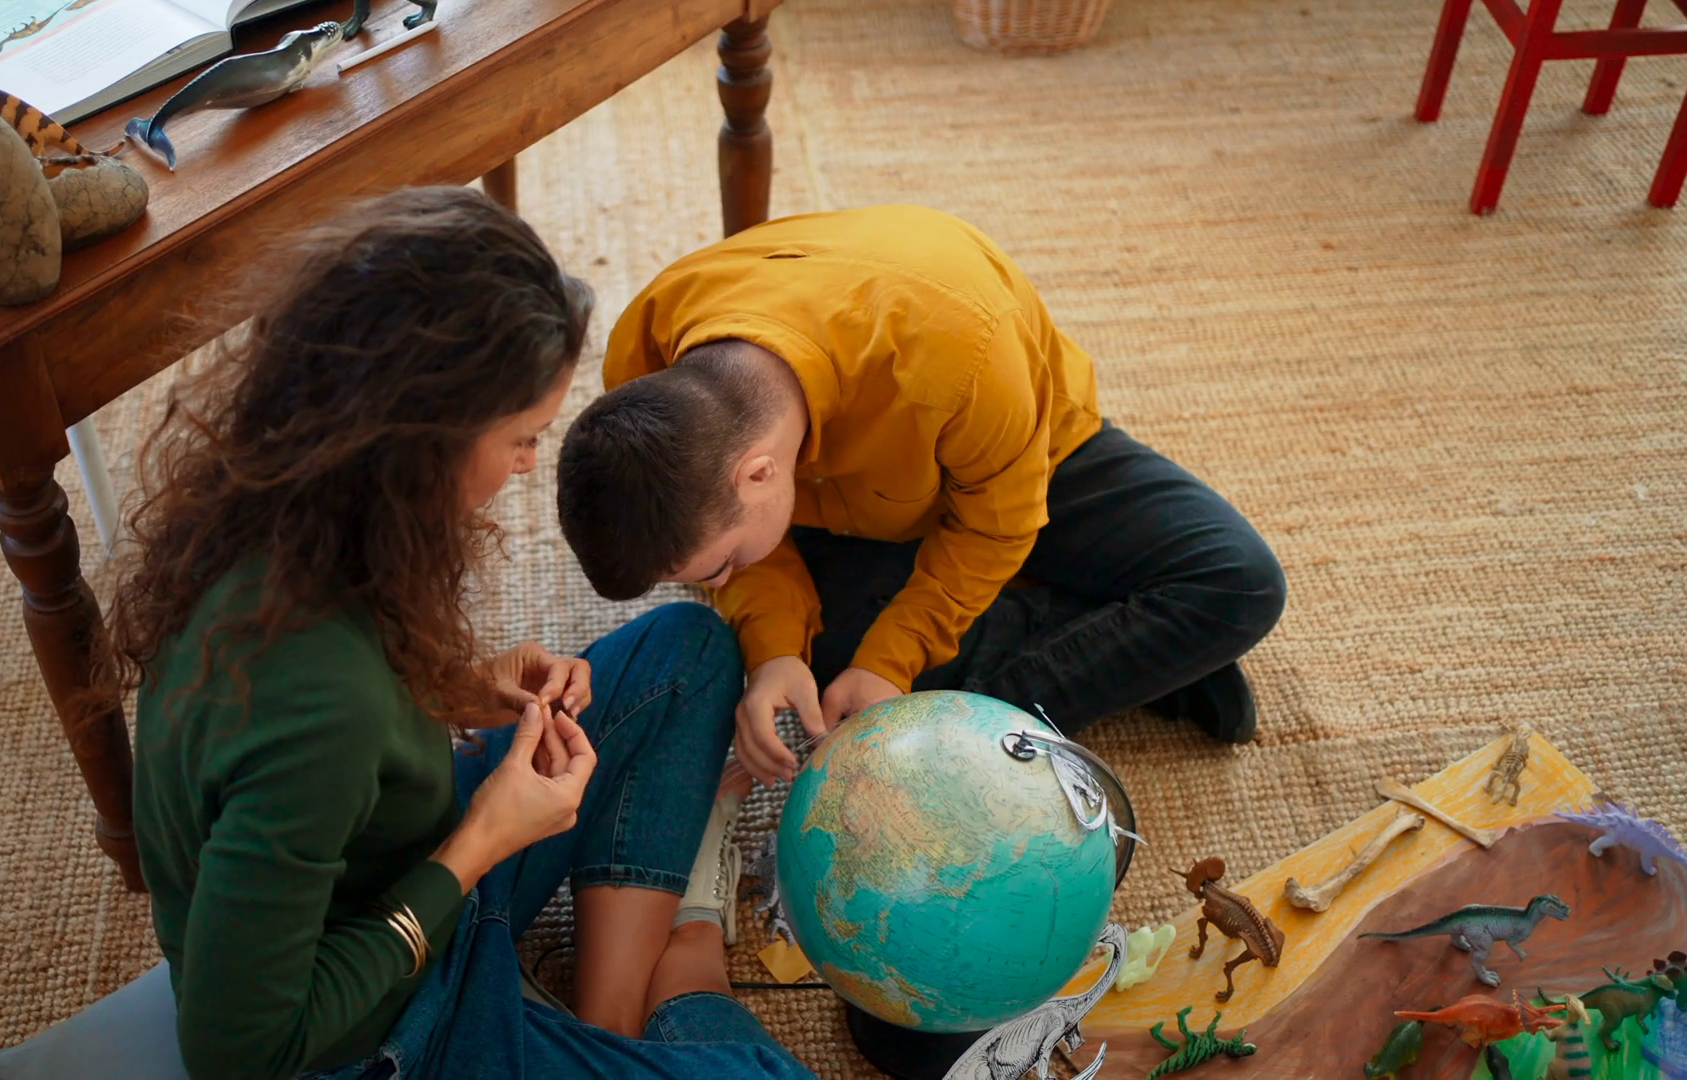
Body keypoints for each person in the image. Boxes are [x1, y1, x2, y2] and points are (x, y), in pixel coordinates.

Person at [109, 187, 811, 1080]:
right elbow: (234, 1053)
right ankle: (684, 976)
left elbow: (306, 731)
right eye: (521, 437)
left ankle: (604, 1019)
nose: (527, 465)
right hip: (389, 1024)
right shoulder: (320, 708)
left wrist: (452, 689)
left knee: (687, 651)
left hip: (407, 868)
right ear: (422, 442)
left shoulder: (281, 511)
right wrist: (482, 839)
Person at [556, 204, 1286, 786]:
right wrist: (773, 650)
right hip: (840, 513)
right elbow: (750, 564)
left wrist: (892, 663)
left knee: (1239, 584)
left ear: (758, 473)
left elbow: (995, 529)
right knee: (825, 681)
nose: (719, 584)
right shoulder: (648, 356)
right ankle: (1141, 660)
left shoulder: (961, 358)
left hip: (1024, 462)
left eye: (722, 566)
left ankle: (1005, 703)